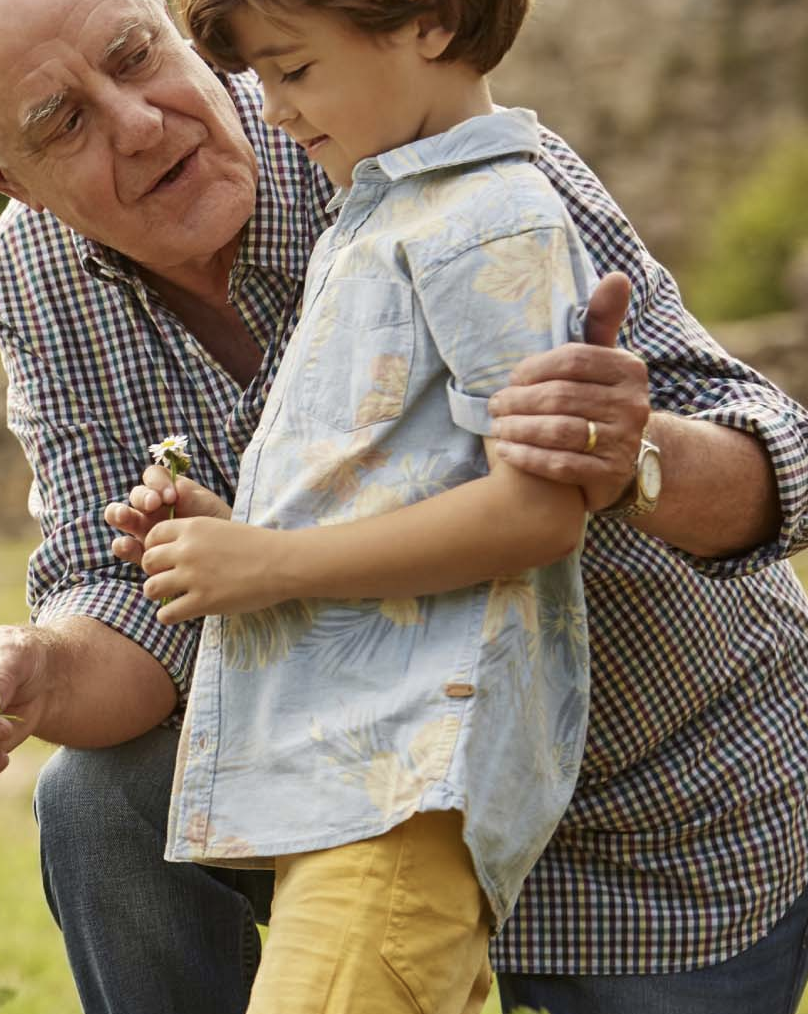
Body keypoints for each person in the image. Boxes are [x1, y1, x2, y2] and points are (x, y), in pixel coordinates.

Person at [0, 0, 808, 1011]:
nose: (138, 124)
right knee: (99, 802)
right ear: (1, 176)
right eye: (63, 124)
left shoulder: (400, 125)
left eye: (135, 58)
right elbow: (127, 597)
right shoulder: (35, 274)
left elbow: (787, 467)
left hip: (648, 801)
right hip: (365, 786)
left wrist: (628, 455)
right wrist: (34, 671)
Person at [104, 1, 595, 1009]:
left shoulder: (490, 219)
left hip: (404, 784)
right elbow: (396, 479)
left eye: (293, 70)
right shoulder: (387, 208)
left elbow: (541, 514)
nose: (272, 111)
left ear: (431, 22)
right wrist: (233, 534)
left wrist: (269, 568)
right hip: (348, 779)